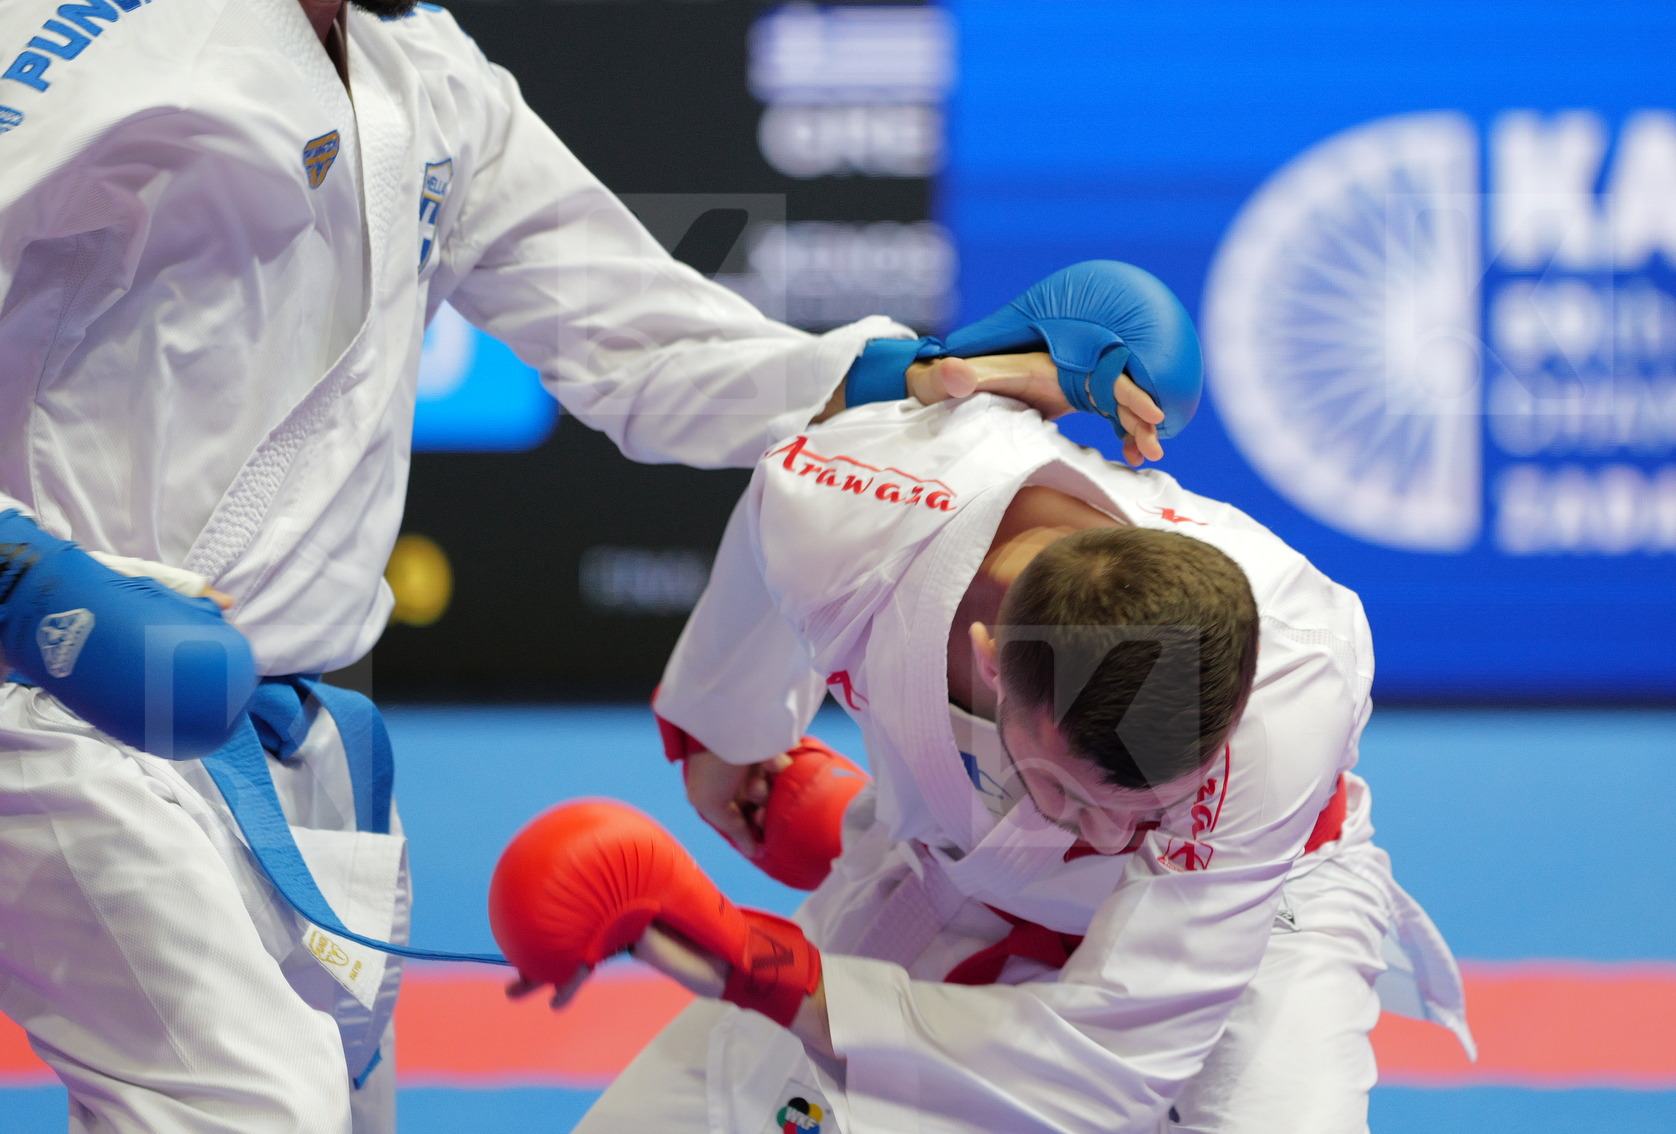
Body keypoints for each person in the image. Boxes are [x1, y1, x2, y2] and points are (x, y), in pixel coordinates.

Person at [0, 0, 1160, 1133]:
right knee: (246, 1112)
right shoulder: (78, 39)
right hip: (59, 714)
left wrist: (939, 371)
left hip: (303, 730)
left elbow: (650, 349)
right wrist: (15, 576)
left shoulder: (427, 77)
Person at [494, 269, 1471, 1134]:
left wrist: (748, 955)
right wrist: (727, 728)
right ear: (992, 659)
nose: (1109, 831)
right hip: (954, 875)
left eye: (1143, 806)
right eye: (1065, 787)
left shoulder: (1291, 678)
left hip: (1252, 909)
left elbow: (1101, 1074)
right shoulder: (854, 512)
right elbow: (769, 514)